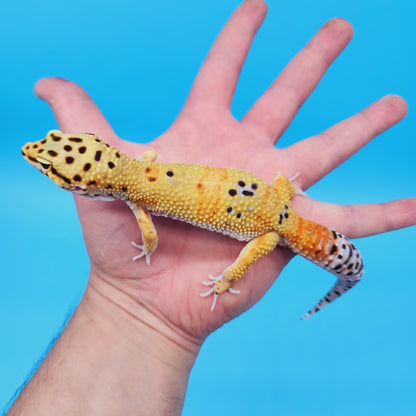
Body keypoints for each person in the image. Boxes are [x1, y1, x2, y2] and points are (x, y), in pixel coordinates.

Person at [7, 0, 416, 414]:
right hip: (272, 195)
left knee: (241, 261)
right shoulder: (139, 169)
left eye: (48, 163)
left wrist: (220, 279)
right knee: (271, 221)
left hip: (270, 228)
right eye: (50, 159)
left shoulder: (137, 200)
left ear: (88, 184)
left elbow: (149, 235)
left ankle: (323, 279)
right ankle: (333, 275)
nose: (37, 157)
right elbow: (147, 164)